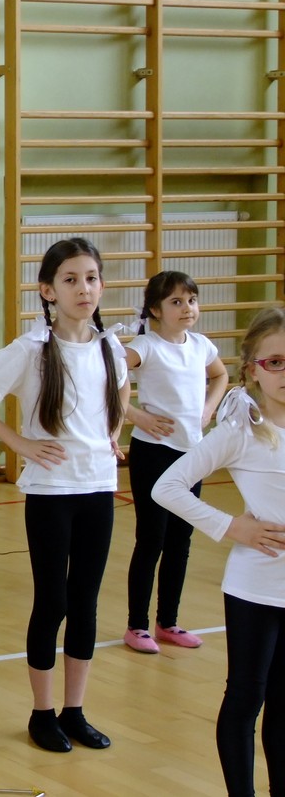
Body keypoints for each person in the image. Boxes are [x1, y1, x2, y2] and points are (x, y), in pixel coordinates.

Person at [0, 237, 128, 754]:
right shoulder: (30, 349)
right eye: (70, 280)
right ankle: (42, 712)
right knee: (53, 600)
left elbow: (120, 391)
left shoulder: (110, 346)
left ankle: (75, 710)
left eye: (91, 278)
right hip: (52, 491)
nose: (83, 288)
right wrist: (19, 443)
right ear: (48, 290)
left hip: (98, 487)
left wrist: (114, 431)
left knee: (86, 602)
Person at [152, 307, 285, 797]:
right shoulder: (241, 432)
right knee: (247, 697)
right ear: (253, 370)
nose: (284, 372)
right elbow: (167, 487)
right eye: (275, 362)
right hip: (255, 589)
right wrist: (232, 527)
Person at [122, 271, 228, 654]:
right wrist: (137, 416)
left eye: (192, 300)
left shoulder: (201, 345)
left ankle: (168, 622)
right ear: (155, 309)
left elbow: (220, 375)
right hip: (153, 453)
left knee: (181, 540)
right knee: (152, 539)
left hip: (191, 455)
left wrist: (209, 407)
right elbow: (105, 376)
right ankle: (136, 625)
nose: (187, 308)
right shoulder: (145, 347)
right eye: (177, 302)